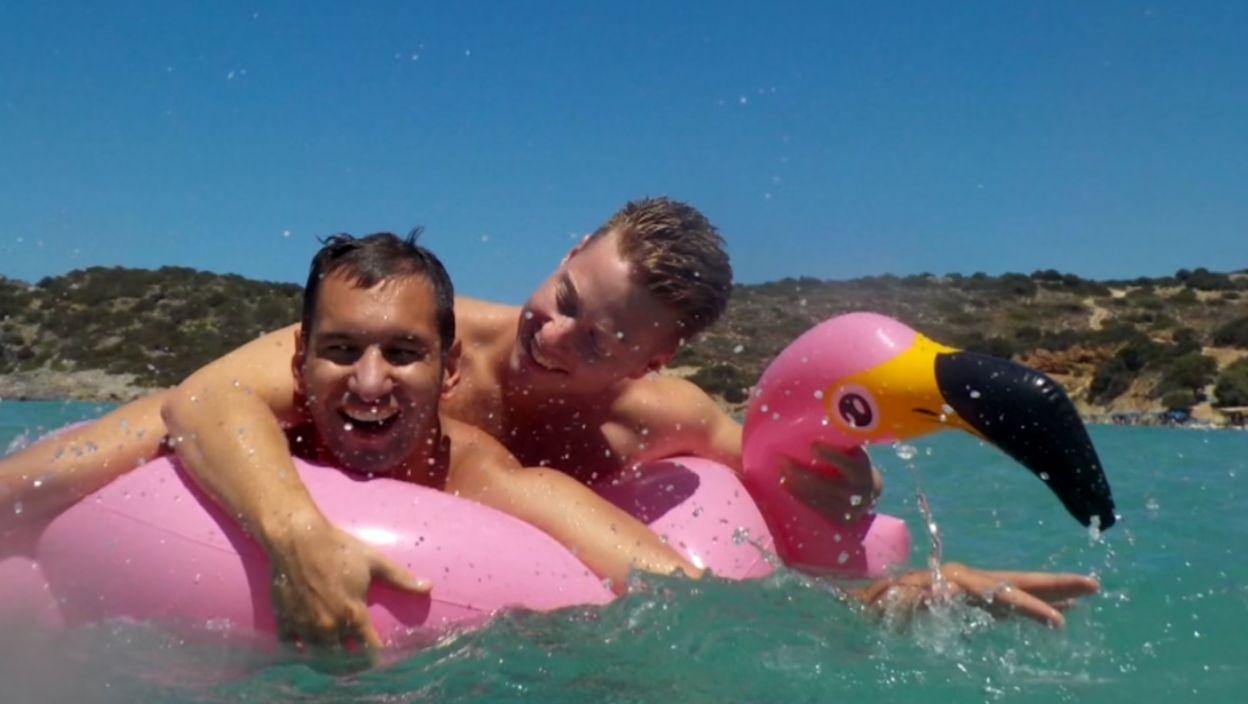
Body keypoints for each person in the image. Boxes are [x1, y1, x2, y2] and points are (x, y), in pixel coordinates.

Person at [0, 199, 1097, 647]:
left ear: (653, 360)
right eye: (565, 293)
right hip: (278, 477)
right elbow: (201, 400)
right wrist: (295, 533)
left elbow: (699, 572)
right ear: (568, 251)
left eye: (599, 335)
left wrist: (876, 558)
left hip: (454, 515)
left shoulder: (643, 425)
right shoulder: (411, 334)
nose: (553, 333)